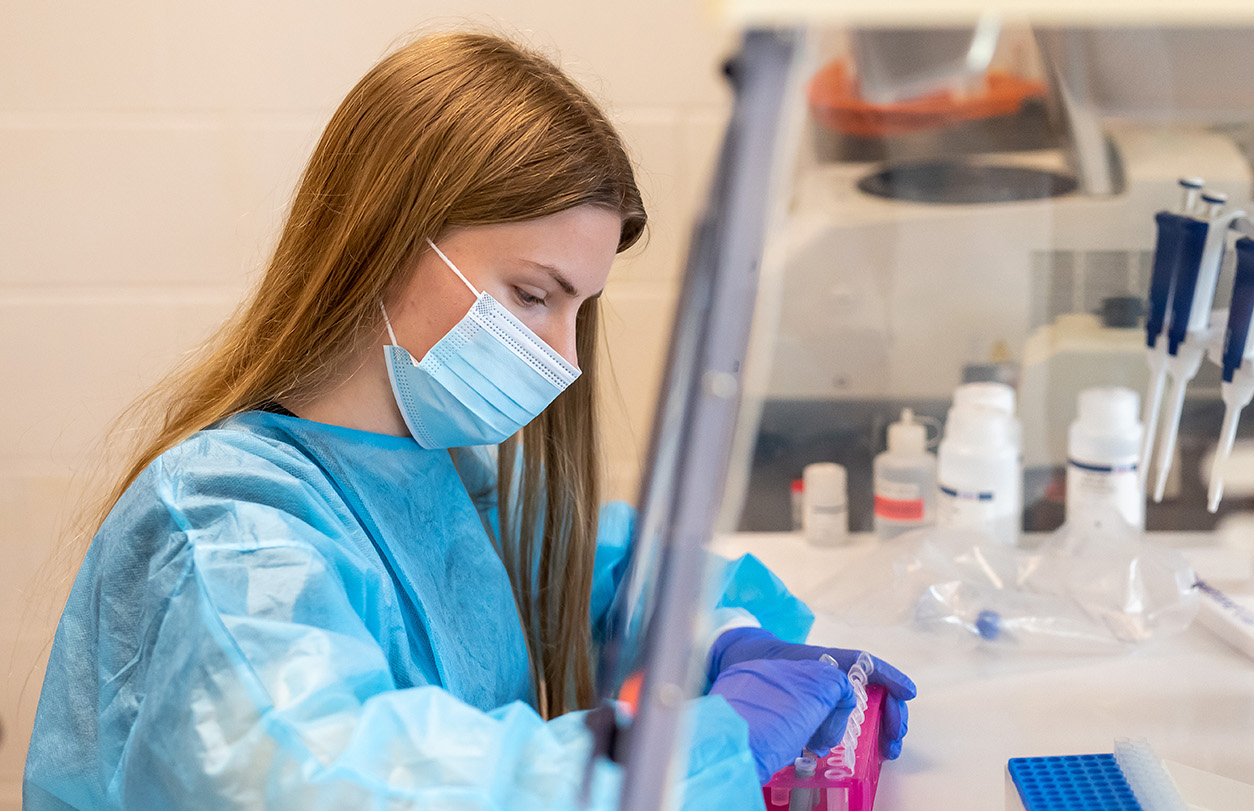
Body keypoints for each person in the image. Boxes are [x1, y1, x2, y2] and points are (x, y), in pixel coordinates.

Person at [23, 31, 912, 811]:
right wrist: (696, 749)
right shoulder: (224, 533)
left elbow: (594, 577)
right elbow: (335, 780)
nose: (562, 359)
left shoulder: (434, 473)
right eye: (532, 294)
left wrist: (724, 637)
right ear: (386, 233)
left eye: (578, 310)